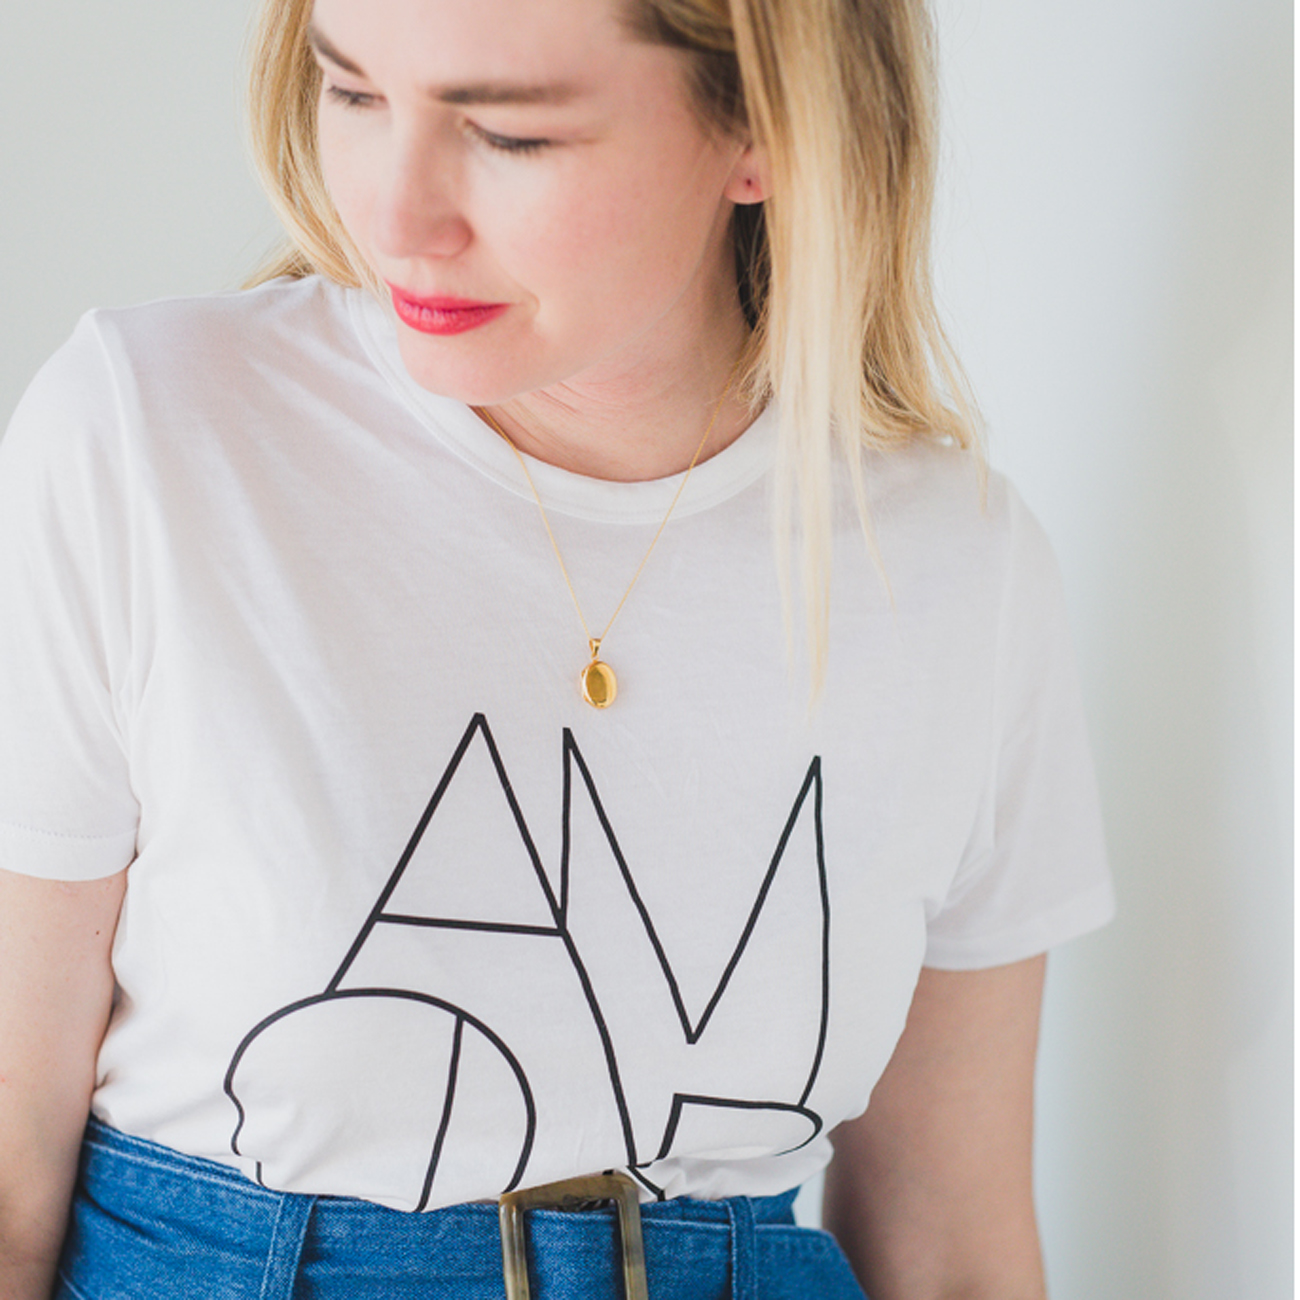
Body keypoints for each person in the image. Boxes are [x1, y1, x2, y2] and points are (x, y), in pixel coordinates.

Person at [0, 0, 1114, 1296]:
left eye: (508, 133)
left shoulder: (954, 563)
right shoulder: (147, 435)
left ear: (762, 129)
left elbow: (956, 1247)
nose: (396, 214)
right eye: (352, 90)